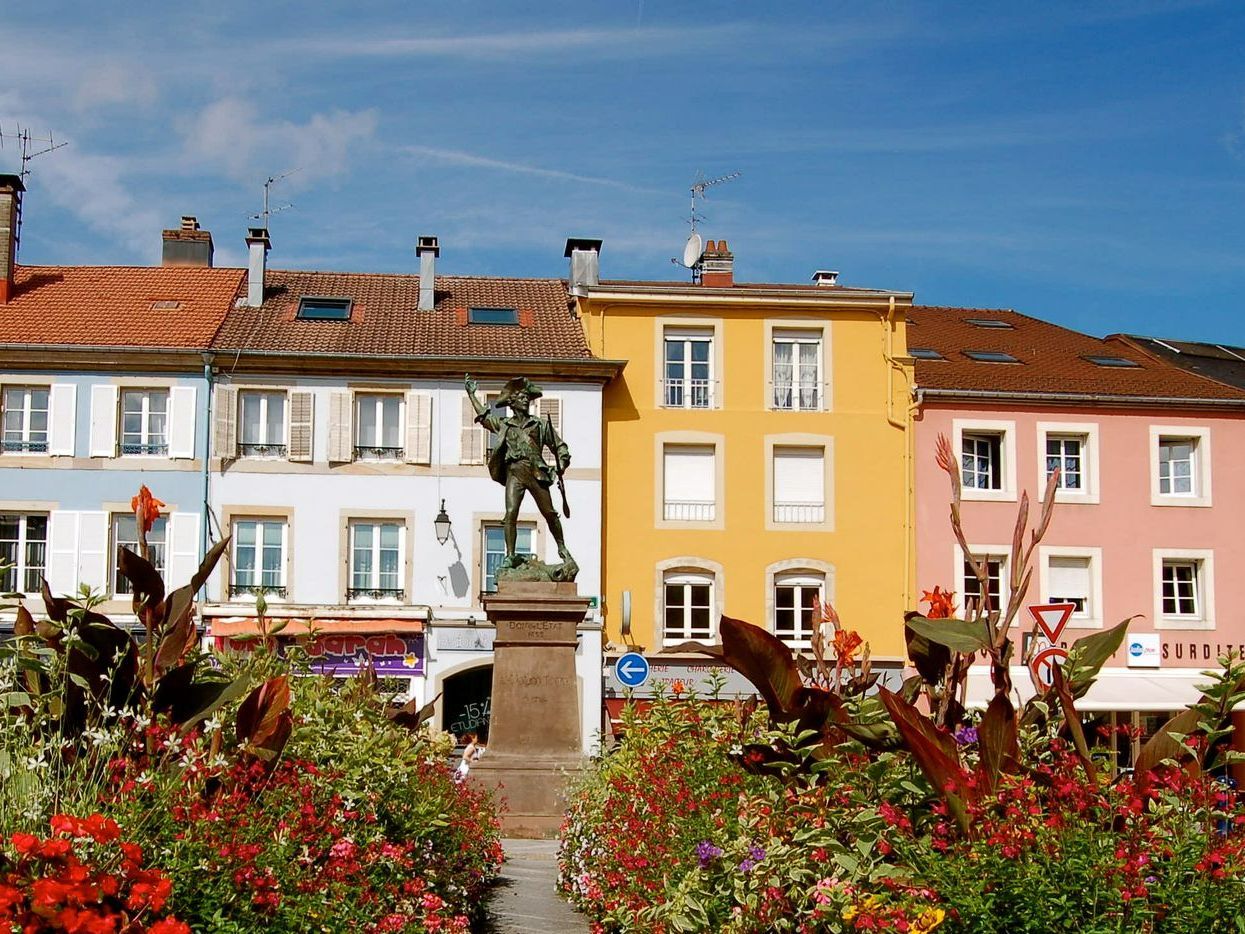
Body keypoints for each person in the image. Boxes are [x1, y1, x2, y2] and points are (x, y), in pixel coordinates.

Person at [464, 374, 575, 573]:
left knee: (549, 513)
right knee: (510, 514)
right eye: (522, 397)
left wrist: (562, 463)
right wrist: (472, 395)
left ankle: (562, 548)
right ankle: (510, 555)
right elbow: (484, 417)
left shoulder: (539, 425)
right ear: (513, 402)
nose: (526, 400)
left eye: (527, 397)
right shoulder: (505, 425)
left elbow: (560, 446)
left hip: (536, 473)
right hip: (514, 473)